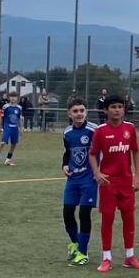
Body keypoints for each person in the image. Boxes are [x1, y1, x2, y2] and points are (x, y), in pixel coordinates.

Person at [89, 95, 139, 271]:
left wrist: (137, 176)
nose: (117, 110)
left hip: (126, 181)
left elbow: (136, 151)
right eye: (113, 107)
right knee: (108, 218)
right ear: (105, 110)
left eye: (120, 106)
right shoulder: (100, 131)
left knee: (129, 217)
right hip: (108, 183)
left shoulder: (130, 128)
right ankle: (107, 258)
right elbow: (92, 154)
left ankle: (130, 256)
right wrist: (97, 173)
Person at [60, 101, 98, 266]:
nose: (79, 113)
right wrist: (64, 164)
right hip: (73, 178)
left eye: (82, 110)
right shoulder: (67, 132)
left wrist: (99, 172)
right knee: (67, 213)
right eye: (75, 111)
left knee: (84, 214)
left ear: (86, 112)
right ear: (69, 114)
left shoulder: (94, 130)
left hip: (89, 179)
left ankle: (83, 253)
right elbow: (68, 152)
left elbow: (103, 151)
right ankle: (76, 244)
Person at [0, 93, 23, 166]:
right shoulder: (5, 107)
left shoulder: (19, 108)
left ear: (17, 98)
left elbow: (19, 118)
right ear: (9, 98)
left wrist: (21, 128)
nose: (13, 98)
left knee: (14, 144)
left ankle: (8, 160)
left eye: (14, 97)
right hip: (7, 127)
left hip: (15, 128)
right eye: (11, 97)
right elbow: (1, 117)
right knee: (3, 142)